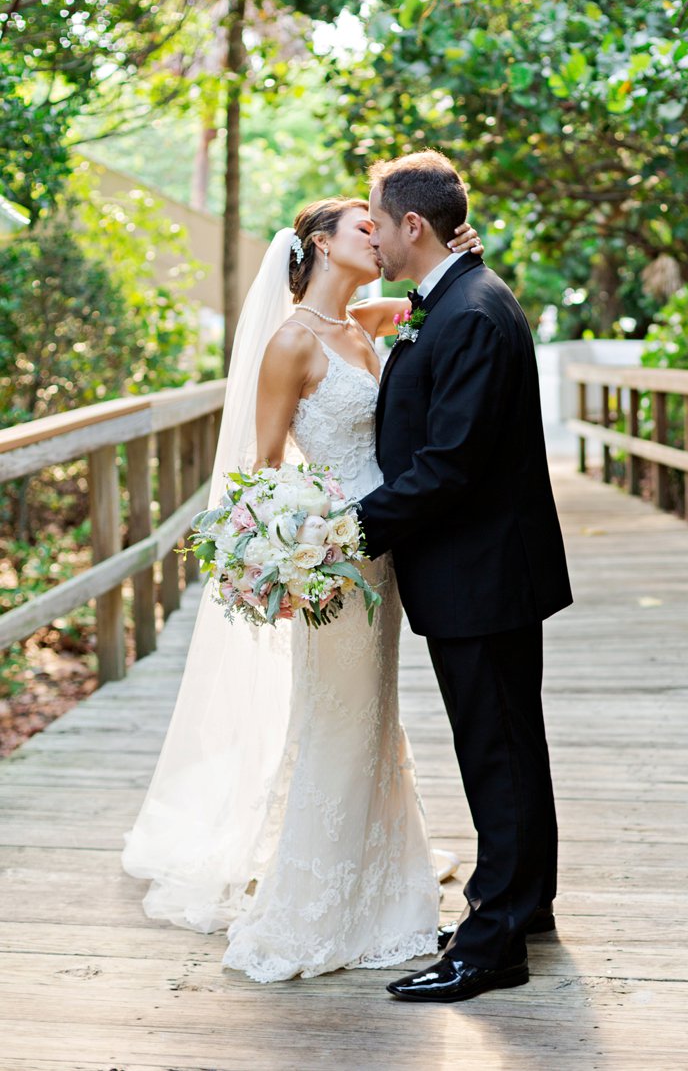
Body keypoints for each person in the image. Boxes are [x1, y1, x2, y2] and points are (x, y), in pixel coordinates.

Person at [122, 197, 481, 983]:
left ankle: (383, 883)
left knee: (374, 717)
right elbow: (260, 467)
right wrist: (286, 550)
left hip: (379, 552)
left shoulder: (365, 325)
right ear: (319, 243)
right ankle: (315, 907)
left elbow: (440, 290)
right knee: (337, 720)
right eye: (363, 227)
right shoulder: (291, 341)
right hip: (329, 559)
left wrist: (459, 244)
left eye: (383, 225)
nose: (378, 235)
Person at [360, 151, 572, 1004]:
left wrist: (351, 530)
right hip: (476, 569)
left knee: (498, 752)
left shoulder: (472, 313)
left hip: (482, 571)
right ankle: (518, 907)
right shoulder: (449, 299)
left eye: (376, 220)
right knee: (508, 746)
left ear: (415, 226)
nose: (369, 234)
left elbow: (450, 464)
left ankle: (494, 949)